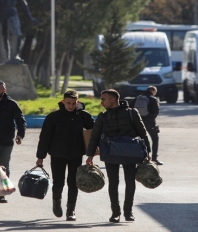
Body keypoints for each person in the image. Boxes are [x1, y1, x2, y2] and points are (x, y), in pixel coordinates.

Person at [86, 89, 151, 223]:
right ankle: (115, 213)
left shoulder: (132, 113)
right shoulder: (103, 116)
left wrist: (147, 152)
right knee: (113, 182)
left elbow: (142, 133)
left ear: (113, 99)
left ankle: (128, 212)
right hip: (110, 152)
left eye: (104, 99)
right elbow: (94, 137)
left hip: (130, 152)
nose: (101, 102)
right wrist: (90, 155)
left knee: (130, 181)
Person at [36, 90, 95, 221]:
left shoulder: (82, 116)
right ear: (63, 102)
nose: (71, 106)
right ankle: (56, 203)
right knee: (58, 183)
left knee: (73, 183)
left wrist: (92, 152)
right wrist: (40, 157)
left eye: (74, 103)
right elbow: (45, 138)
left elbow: (93, 131)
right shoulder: (53, 117)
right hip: (57, 154)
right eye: (68, 103)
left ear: (78, 102)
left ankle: (71, 210)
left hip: (76, 154)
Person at [132, 86, 163, 165]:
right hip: (150, 122)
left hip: (138, 121)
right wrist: (152, 118)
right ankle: (154, 158)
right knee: (155, 139)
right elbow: (156, 111)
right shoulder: (153, 99)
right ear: (153, 91)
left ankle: (140, 158)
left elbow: (131, 108)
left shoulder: (138, 98)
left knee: (140, 139)